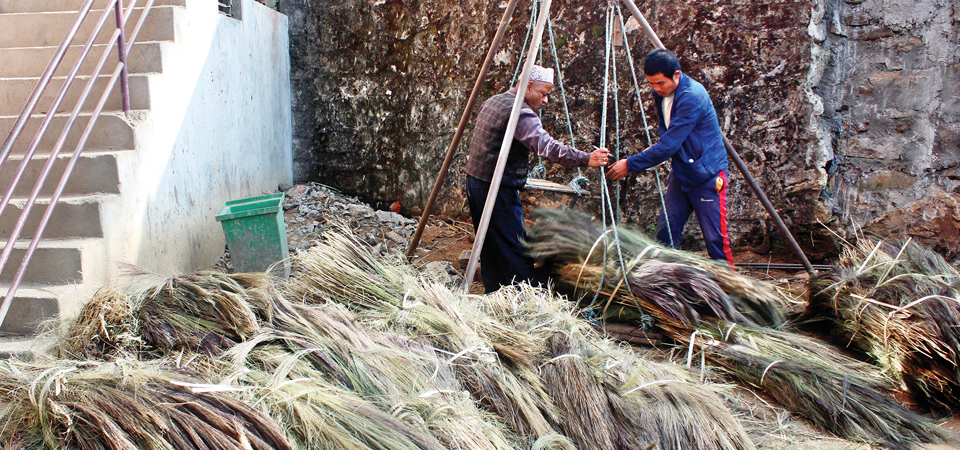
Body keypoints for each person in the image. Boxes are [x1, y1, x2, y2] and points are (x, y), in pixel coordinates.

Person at [465, 65, 610, 293]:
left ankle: (494, 292)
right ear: (528, 86)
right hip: (496, 190)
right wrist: (585, 158)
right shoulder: (520, 114)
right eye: (543, 93)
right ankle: (527, 299)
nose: (546, 100)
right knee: (515, 247)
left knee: (490, 245)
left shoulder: (495, 101)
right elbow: (547, 147)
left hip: (475, 182)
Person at [607, 49, 734, 267]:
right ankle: (668, 281)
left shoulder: (691, 97)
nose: (656, 89)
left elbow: (668, 146)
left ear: (676, 75)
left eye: (660, 83)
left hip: (707, 174)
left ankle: (732, 290)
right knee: (666, 231)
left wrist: (629, 164)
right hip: (683, 171)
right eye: (651, 84)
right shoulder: (662, 94)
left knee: (715, 238)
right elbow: (667, 132)